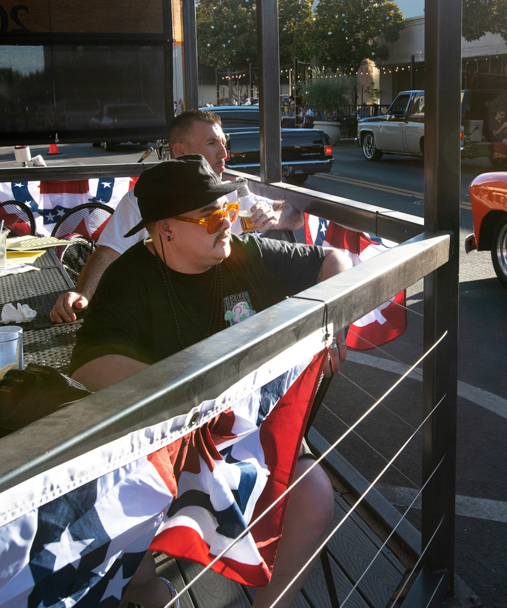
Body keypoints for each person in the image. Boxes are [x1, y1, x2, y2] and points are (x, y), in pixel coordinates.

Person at [68, 156, 350, 608]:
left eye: (229, 210)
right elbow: (88, 363)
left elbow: (332, 259)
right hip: (166, 447)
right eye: (212, 215)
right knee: (122, 558)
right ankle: (155, 594)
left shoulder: (244, 253)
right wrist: (191, 393)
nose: (227, 224)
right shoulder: (129, 278)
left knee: (314, 494)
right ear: (166, 229)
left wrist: (333, 320)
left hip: (249, 437)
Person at [49, 110, 304, 323]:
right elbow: (108, 252)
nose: (224, 154)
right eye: (212, 143)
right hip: (177, 312)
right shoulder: (149, 199)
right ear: (181, 151)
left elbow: (294, 214)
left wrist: (274, 214)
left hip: (235, 310)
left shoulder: (236, 191)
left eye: (224, 144)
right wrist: (82, 295)